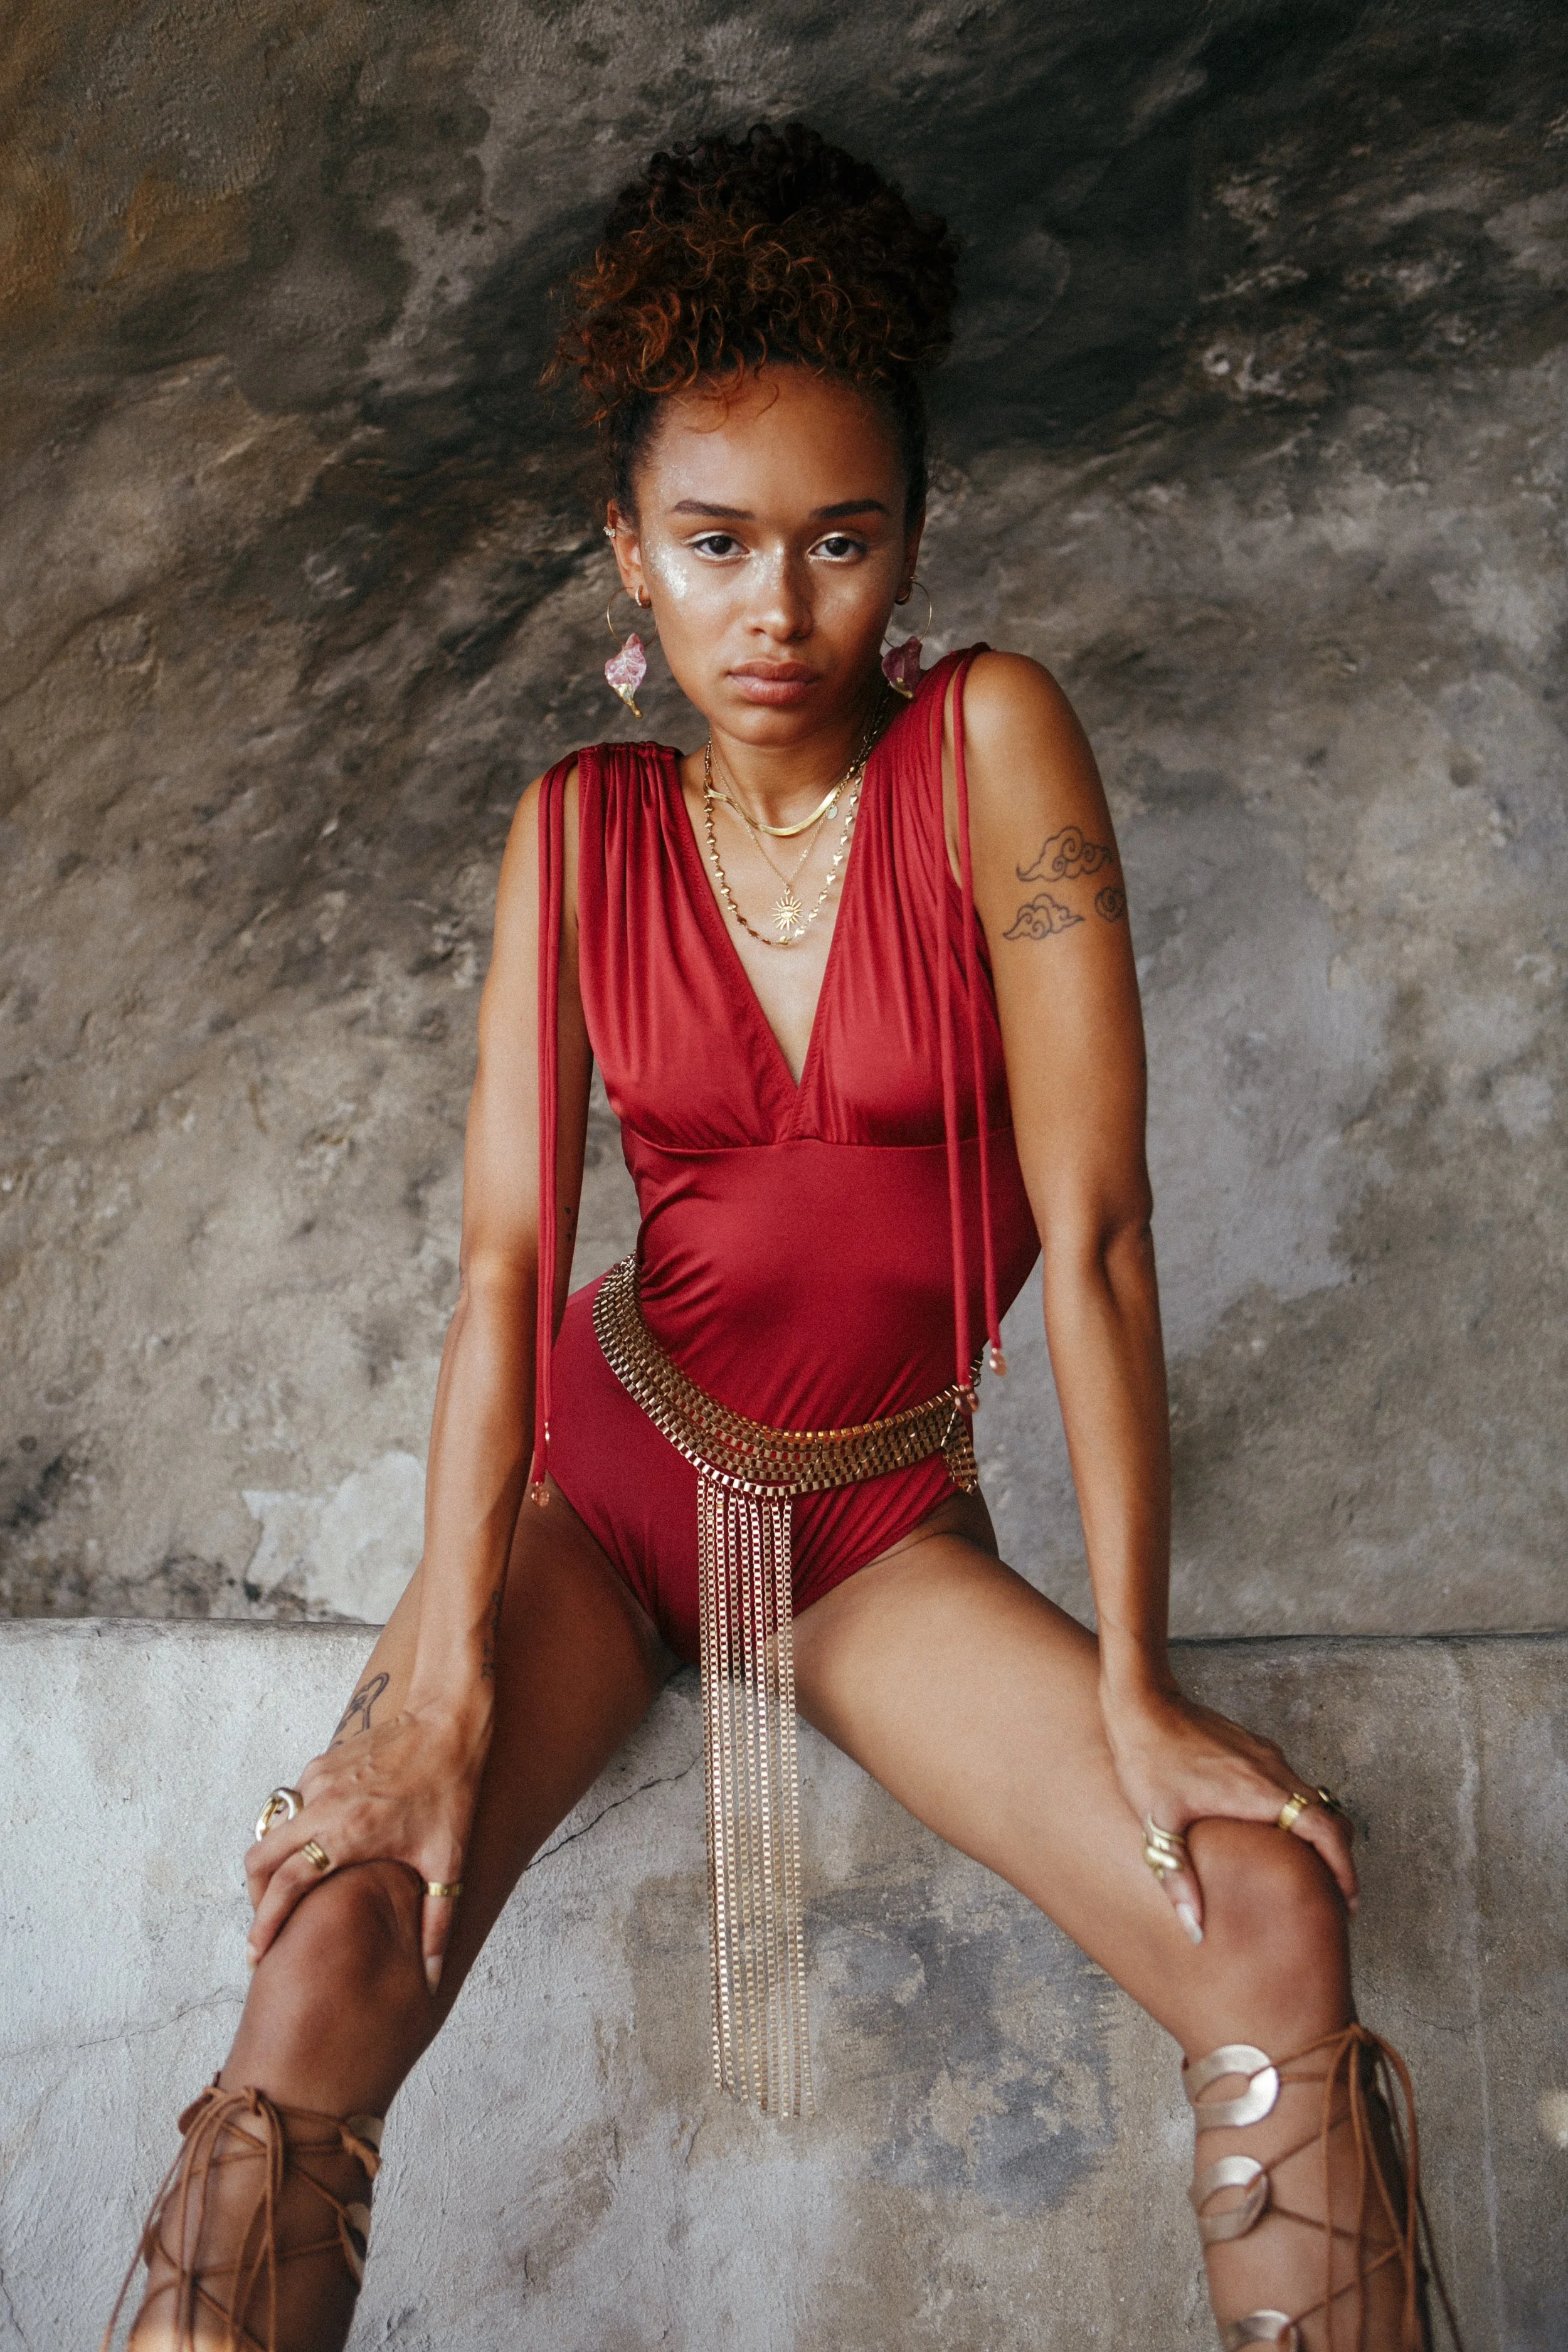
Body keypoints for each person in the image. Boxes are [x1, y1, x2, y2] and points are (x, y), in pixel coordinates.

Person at [107, 122, 1452, 2352]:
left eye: (838, 540)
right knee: (334, 1940)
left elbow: (1097, 1233)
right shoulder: (576, 829)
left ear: (907, 539)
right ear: (626, 555)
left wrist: (1130, 1677)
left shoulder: (991, 741)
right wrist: (438, 1677)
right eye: (716, 544)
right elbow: (504, 1268)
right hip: (617, 1487)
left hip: (869, 1522)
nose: (779, 605)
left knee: (1267, 1914)